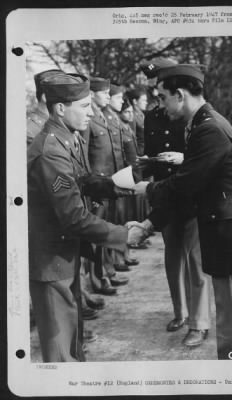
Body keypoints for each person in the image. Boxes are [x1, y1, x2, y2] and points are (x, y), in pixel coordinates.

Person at [133, 63, 232, 359]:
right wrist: (151, 222)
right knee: (229, 326)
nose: (160, 105)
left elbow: (185, 186)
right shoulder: (203, 123)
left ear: (180, 94)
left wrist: (148, 191)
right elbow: (195, 179)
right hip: (227, 233)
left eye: (163, 97)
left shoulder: (208, 128)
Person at [28, 71, 145, 362]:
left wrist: (118, 186)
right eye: (84, 106)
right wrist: (122, 235)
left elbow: (82, 179)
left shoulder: (68, 138)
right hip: (51, 259)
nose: (91, 112)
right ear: (60, 108)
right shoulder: (50, 151)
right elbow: (74, 217)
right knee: (60, 354)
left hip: (64, 253)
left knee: (72, 342)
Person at [138, 58, 212, 347]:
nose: (150, 84)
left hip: (191, 195)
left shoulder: (190, 112)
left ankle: (200, 323)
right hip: (167, 196)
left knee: (196, 261)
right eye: (148, 80)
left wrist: (183, 159)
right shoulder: (153, 116)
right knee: (173, 258)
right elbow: (152, 153)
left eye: (155, 79)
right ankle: (180, 312)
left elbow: (200, 155)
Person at [83, 76, 129, 296]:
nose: (108, 97)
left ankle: (106, 272)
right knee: (96, 235)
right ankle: (96, 280)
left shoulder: (103, 116)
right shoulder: (88, 119)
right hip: (96, 187)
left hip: (108, 183)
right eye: (105, 93)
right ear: (92, 94)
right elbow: (83, 157)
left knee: (106, 230)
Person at [103, 83, 139, 270]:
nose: (121, 101)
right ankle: (109, 265)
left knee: (120, 219)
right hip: (108, 179)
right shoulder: (106, 119)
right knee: (110, 222)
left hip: (120, 176)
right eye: (117, 98)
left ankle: (119, 257)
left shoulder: (115, 120)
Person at [27, 69, 64, 146]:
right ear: (45, 97)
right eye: (62, 95)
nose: (67, 100)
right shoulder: (30, 131)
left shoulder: (60, 124)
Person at [127, 86, 148, 156]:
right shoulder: (132, 116)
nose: (146, 103)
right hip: (139, 153)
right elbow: (132, 139)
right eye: (143, 100)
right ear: (135, 101)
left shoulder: (142, 115)